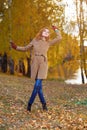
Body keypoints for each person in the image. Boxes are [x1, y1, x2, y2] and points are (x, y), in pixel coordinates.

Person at [10, 25, 62, 112]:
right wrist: (16, 47)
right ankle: (44, 104)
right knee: (39, 88)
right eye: (45, 31)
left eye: (48, 32)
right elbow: (25, 48)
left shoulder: (48, 42)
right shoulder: (35, 40)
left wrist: (56, 30)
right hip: (35, 63)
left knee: (37, 85)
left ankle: (29, 104)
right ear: (41, 32)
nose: (47, 33)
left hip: (43, 64)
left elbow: (59, 38)